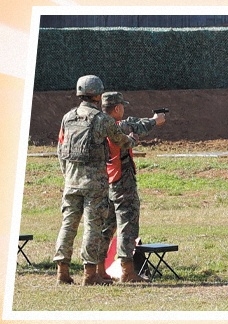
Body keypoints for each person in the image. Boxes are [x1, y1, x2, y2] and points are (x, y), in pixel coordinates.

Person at [54, 75, 137, 286]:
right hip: (95, 184)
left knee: (68, 225)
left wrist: (68, 175)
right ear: (98, 95)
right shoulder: (102, 119)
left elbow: (60, 149)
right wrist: (132, 140)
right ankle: (90, 275)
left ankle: (62, 271)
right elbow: (120, 140)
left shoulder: (68, 117)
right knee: (92, 226)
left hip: (71, 181)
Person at [98, 91, 166, 283]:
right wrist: (155, 120)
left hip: (105, 180)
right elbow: (137, 125)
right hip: (122, 180)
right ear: (117, 108)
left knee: (106, 226)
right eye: (122, 106)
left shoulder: (97, 125)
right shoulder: (118, 126)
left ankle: (99, 269)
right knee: (127, 224)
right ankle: (127, 271)